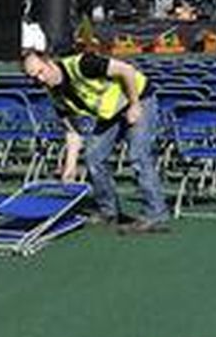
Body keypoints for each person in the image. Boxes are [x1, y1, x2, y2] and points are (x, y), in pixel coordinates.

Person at [21, 28, 169, 234]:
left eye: (40, 72)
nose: (39, 79)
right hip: (110, 114)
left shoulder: (82, 64)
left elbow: (126, 70)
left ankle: (155, 215)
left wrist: (135, 105)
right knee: (93, 157)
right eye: (33, 77)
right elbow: (72, 131)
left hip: (139, 98)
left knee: (138, 155)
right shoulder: (55, 94)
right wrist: (70, 166)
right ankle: (109, 211)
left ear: (48, 61)